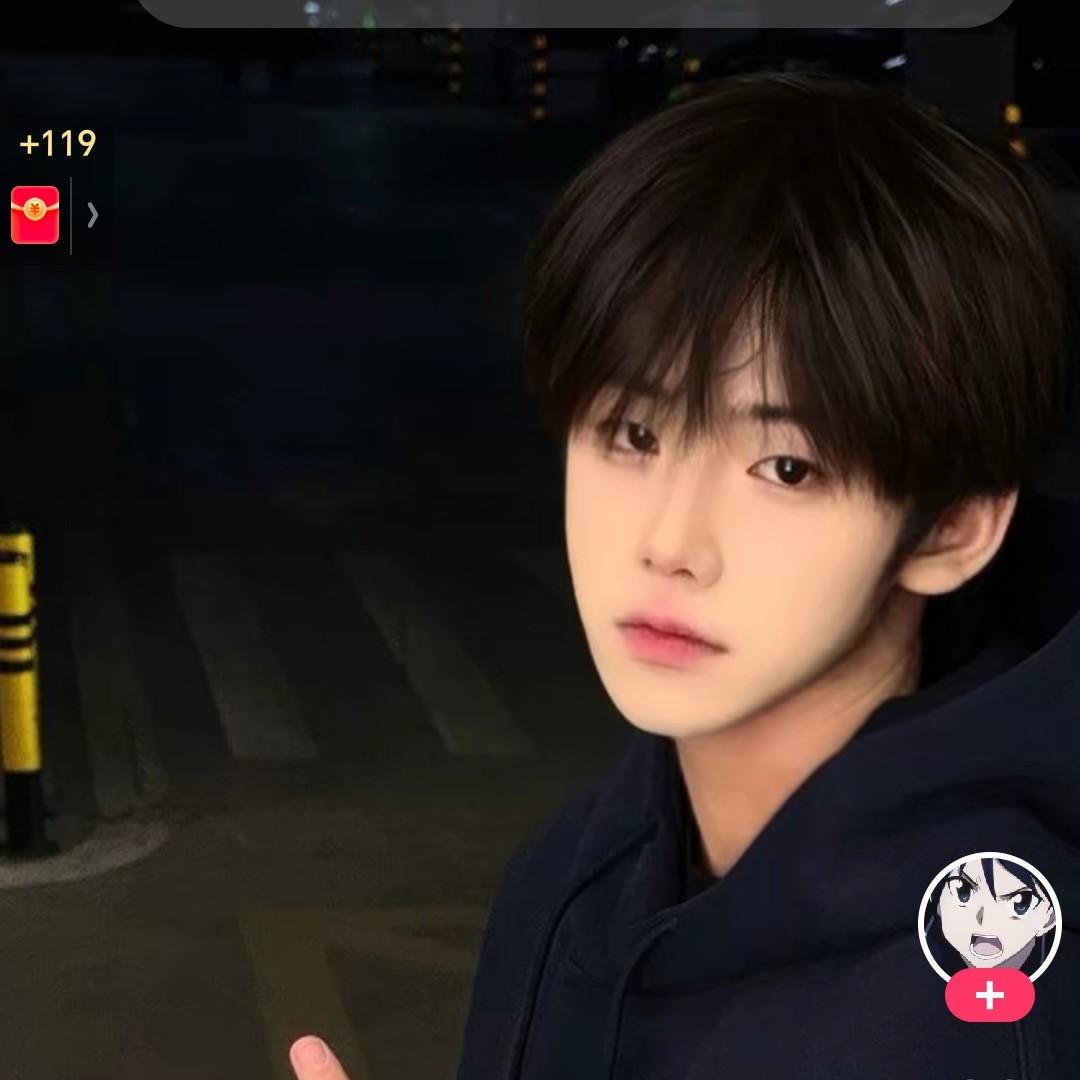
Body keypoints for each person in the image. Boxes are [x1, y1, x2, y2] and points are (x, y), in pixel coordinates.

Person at [286, 69, 1080, 1080]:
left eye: (786, 467)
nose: (671, 541)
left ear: (953, 526)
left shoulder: (977, 1009)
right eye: (632, 432)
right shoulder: (576, 871)